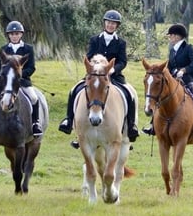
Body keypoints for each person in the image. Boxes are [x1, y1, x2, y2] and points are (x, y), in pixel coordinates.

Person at [58, 10, 139, 143]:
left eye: (113, 23)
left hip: (113, 75)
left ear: (117, 26)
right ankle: (69, 121)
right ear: (104, 23)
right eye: (108, 22)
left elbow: (123, 61)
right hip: (94, 74)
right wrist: (95, 65)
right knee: (74, 90)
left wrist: (113, 69)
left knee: (130, 94)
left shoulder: (121, 43)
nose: (110, 25)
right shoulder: (95, 39)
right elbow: (89, 56)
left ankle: (130, 127)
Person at [142, 23, 193, 137]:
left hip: (191, 80)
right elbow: (170, 66)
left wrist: (184, 70)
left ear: (177, 36)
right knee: (160, 97)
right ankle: (153, 125)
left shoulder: (189, 48)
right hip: (175, 81)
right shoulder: (172, 50)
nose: (170, 38)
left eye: (171, 36)